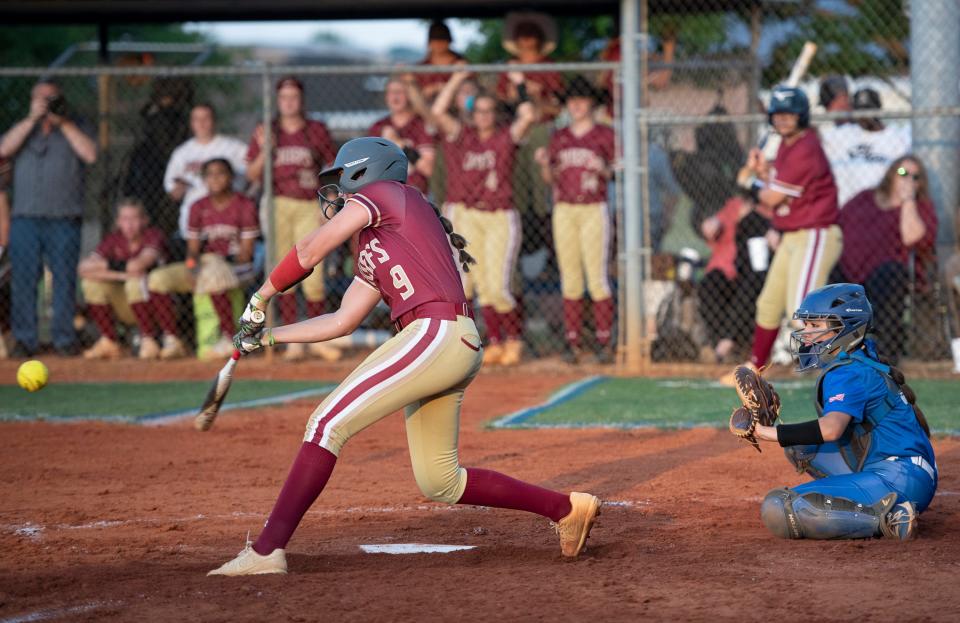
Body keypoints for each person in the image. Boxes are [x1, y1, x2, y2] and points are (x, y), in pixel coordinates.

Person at [207, 137, 602, 576]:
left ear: (365, 173)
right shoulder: (379, 239)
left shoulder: (386, 194)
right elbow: (342, 319)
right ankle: (567, 509)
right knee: (440, 480)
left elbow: (309, 251)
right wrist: (270, 337)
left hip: (435, 331)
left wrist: (261, 296)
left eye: (342, 181)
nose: (335, 194)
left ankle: (266, 551)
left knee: (325, 424)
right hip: (449, 342)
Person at [745, 283, 936, 541]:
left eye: (815, 326)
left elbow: (832, 429)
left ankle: (889, 518)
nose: (806, 334)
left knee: (780, 507)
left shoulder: (846, 371)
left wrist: (765, 432)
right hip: (908, 472)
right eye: (807, 325)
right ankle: (878, 498)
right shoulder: (862, 354)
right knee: (801, 447)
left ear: (845, 326)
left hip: (898, 478)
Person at [724, 85, 842, 383]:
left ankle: (832, 370)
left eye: (789, 115)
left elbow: (773, 199)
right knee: (768, 304)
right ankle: (755, 369)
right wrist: (762, 172)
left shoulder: (806, 148)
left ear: (802, 115)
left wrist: (748, 182)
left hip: (816, 234)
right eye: (778, 115)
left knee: (802, 309)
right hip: (793, 235)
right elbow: (782, 187)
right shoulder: (789, 147)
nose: (783, 120)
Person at [432, 70, 537, 366]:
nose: (483, 117)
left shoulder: (505, 137)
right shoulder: (460, 136)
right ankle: (494, 341)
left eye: (489, 111)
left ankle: (514, 340)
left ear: (495, 114)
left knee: (498, 285)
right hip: (466, 215)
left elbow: (528, 115)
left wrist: (519, 83)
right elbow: (438, 111)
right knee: (474, 283)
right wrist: (455, 79)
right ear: (472, 113)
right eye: (478, 111)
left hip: (498, 215)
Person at [246, 76, 341, 362]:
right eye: (284, 97)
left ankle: (319, 338)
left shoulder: (315, 130)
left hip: (308, 204)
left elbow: (333, 167)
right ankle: (293, 340)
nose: (289, 102)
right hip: (277, 202)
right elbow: (252, 175)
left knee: (314, 272)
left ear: (302, 100)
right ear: (277, 101)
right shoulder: (268, 129)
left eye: (294, 97)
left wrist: (331, 200)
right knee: (283, 272)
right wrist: (266, 149)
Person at [0, 79, 97, 358]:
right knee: (24, 280)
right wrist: (32, 118)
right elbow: (5, 149)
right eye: (41, 98)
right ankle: (25, 339)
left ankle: (64, 339)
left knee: (64, 281)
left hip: (64, 217)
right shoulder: (23, 129)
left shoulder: (75, 126)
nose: (46, 103)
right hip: (25, 218)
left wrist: (62, 122)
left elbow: (90, 154)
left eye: (52, 98)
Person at [534, 76, 616, 364]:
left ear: (592, 104)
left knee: (596, 277)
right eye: (572, 101)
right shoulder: (560, 136)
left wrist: (603, 168)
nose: (577, 105)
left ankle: (605, 342)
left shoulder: (605, 134)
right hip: (565, 208)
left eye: (582, 100)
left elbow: (616, 172)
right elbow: (550, 178)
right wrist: (545, 164)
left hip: (594, 207)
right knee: (570, 278)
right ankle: (574, 343)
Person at [147, 159, 259, 360]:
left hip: (237, 267)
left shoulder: (244, 204)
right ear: (204, 180)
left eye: (221, 173)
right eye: (209, 175)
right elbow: (192, 251)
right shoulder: (198, 207)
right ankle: (172, 339)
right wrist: (191, 267)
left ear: (231, 177)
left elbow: (245, 254)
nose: (215, 179)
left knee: (214, 271)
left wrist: (216, 264)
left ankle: (229, 339)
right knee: (157, 279)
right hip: (203, 265)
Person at [835, 156, 937, 362]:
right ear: (891, 174)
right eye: (903, 173)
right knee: (834, 279)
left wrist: (908, 201)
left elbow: (913, 238)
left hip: (886, 274)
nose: (908, 180)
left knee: (890, 275)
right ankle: (838, 352)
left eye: (915, 177)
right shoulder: (865, 198)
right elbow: (838, 221)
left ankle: (885, 355)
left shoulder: (920, 207)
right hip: (851, 268)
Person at [77, 198, 167, 359]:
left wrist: (107, 267)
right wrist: (121, 274)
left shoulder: (153, 235)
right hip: (126, 303)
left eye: (134, 219)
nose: (129, 224)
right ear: (118, 222)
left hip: (155, 306)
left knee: (134, 282)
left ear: (144, 220)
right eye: (125, 219)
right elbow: (84, 268)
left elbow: (138, 265)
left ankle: (148, 339)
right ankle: (109, 341)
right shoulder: (113, 239)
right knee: (91, 283)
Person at [698, 195, 769, 362]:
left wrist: (752, 216)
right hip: (726, 268)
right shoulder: (734, 205)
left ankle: (726, 345)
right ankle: (721, 344)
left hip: (752, 270)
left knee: (750, 286)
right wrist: (712, 224)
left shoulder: (771, 207)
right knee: (709, 284)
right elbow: (716, 223)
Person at [163, 103, 248, 238]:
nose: (201, 123)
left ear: (214, 120)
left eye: (206, 118)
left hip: (228, 216)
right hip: (194, 217)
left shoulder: (234, 147)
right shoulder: (182, 153)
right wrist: (179, 189)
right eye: (197, 119)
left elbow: (251, 175)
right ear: (191, 123)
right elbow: (172, 189)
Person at [822, 88, 912, 207]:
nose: (865, 116)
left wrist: (898, 170)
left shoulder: (898, 136)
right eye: (861, 111)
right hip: (849, 208)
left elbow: (905, 172)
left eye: (869, 110)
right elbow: (815, 136)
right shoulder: (844, 134)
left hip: (885, 206)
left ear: (879, 109)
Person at [367, 78, 435, 195]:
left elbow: (428, 169)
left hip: (415, 193)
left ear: (409, 96)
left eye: (399, 92)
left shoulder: (420, 125)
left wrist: (398, 144)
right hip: (384, 193)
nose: (395, 97)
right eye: (391, 92)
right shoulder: (378, 127)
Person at [414, 20, 464, 102]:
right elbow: (416, 95)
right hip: (427, 109)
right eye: (435, 39)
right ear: (429, 42)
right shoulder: (421, 67)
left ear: (449, 41)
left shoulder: (461, 64)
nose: (438, 43)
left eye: (442, 38)